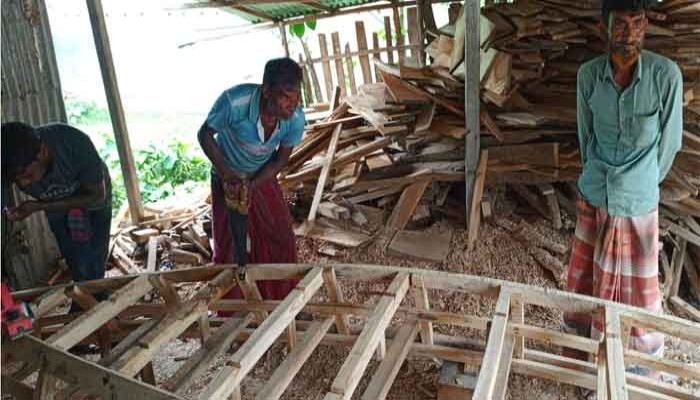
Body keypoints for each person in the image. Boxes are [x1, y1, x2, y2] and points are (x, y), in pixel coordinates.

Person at [563, 0, 683, 396]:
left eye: (637, 24)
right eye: (620, 25)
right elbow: (586, 139)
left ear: (646, 27)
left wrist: (641, 183)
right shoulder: (589, 78)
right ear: (604, 28)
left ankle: (636, 377)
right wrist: (599, 182)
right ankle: (585, 369)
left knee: (639, 300)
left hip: (638, 205)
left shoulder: (665, 77)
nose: (629, 33)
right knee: (587, 285)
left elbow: (669, 146)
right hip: (595, 197)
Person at [198, 57, 305, 301]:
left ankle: (281, 298)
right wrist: (228, 176)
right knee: (230, 245)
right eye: (286, 97)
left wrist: (251, 185)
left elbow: (279, 160)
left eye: (296, 96)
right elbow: (204, 134)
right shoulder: (234, 103)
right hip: (227, 173)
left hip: (261, 175)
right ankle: (233, 307)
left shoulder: (295, 118)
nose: (293, 104)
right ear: (266, 90)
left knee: (281, 236)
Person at [2, 122, 113, 289]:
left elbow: (96, 196)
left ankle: (97, 296)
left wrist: (38, 206)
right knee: (74, 256)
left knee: (95, 254)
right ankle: (84, 296)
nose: (23, 183)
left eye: (27, 175)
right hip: (54, 204)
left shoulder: (73, 142)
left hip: (91, 197)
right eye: (16, 180)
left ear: (43, 153)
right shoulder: (7, 163)